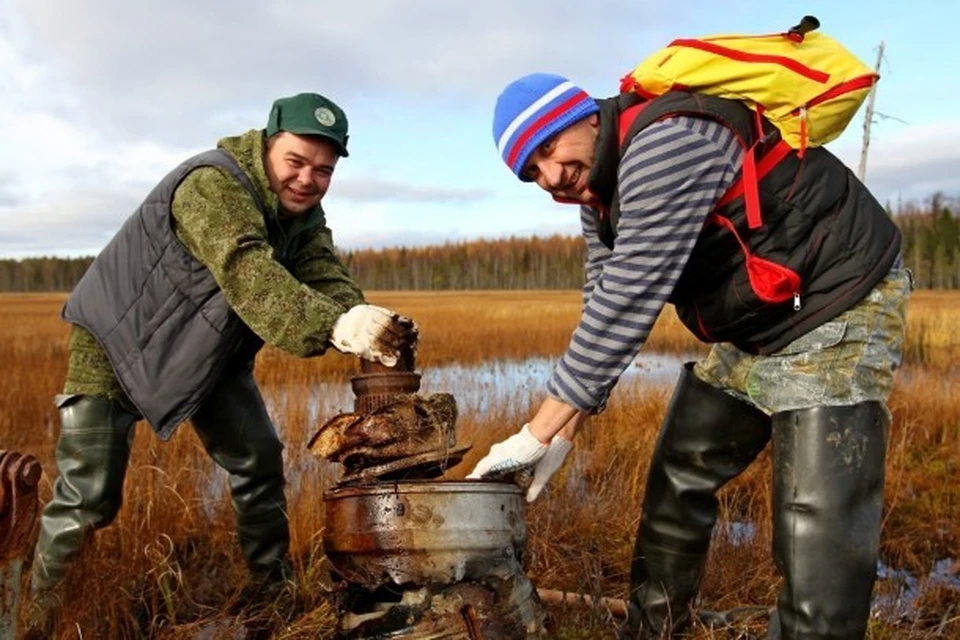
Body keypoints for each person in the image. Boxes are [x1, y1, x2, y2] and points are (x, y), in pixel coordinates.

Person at [468, 72, 911, 639]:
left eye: (549, 148)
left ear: (586, 115)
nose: (551, 177)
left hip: (836, 298)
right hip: (760, 320)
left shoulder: (667, 143)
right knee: (680, 471)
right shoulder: (597, 194)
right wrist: (563, 434)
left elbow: (630, 297)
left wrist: (533, 433)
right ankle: (652, 631)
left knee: (815, 529)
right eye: (531, 172)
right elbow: (602, 303)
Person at [25, 92, 419, 633]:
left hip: (203, 351)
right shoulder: (211, 184)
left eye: (323, 171)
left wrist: (365, 318)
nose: (307, 180)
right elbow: (248, 272)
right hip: (119, 341)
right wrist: (333, 328)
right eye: (296, 162)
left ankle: (271, 593)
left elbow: (322, 271)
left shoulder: (302, 217)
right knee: (87, 498)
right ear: (266, 144)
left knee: (257, 459)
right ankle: (35, 622)